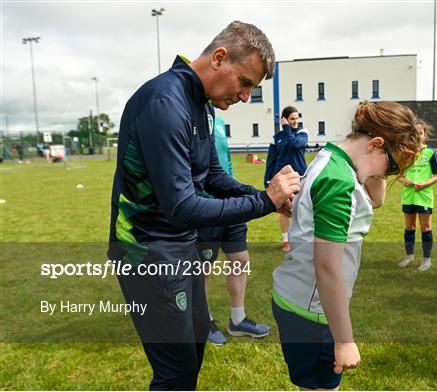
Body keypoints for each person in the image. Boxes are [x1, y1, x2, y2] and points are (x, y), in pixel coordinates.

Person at [108, 21, 301, 391]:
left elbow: (213, 176)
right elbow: (182, 206)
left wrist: (270, 197)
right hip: (147, 254)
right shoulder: (164, 102)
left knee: (192, 356)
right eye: (245, 83)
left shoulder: (202, 105)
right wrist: (264, 201)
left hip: (181, 248)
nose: (246, 96)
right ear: (219, 58)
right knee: (175, 374)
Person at [272, 101, 421, 390]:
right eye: (391, 167)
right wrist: (344, 340)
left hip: (301, 299)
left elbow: (376, 200)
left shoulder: (334, 155)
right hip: (312, 312)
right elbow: (327, 267)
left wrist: (379, 167)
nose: (387, 175)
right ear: (375, 143)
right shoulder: (339, 181)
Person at [197, 116, 270, 346]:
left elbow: (222, 162)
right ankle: (204, 322)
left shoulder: (217, 119)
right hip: (206, 205)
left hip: (231, 201)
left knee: (240, 258)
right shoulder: (190, 117)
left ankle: (237, 320)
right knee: (203, 267)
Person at [397, 120, 437, 271]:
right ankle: (409, 256)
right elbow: (398, 174)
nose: (417, 136)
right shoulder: (405, 152)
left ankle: (426, 260)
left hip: (424, 196)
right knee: (409, 227)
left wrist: (425, 184)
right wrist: (404, 180)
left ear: (425, 135)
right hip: (408, 196)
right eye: (414, 133)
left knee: (426, 227)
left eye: (420, 133)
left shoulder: (430, 153)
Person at [264, 106, 308, 252]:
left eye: (296, 118)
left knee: (300, 209)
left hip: (299, 177)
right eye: (292, 119)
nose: (295, 121)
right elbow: (271, 159)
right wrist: (267, 179)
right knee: (283, 210)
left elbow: (295, 145)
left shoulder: (302, 133)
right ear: (285, 119)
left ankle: (300, 239)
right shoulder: (277, 138)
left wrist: (287, 128)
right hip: (282, 178)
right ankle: (286, 241)